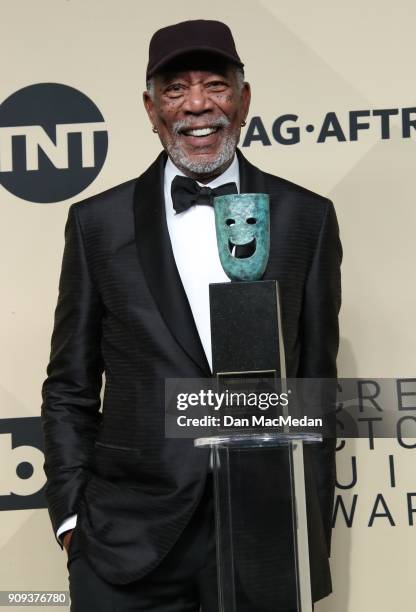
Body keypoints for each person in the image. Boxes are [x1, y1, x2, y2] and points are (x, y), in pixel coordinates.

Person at [41, 19, 341, 612]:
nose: (198, 105)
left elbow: (315, 391)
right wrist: (73, 517)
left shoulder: (307, 217)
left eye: (215, 85)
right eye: (176, 89)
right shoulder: (96, 223)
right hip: (127, 540)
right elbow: (70, 384)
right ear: (151, 109)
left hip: (266, 537)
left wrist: (307, 532)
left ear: (245, 99)